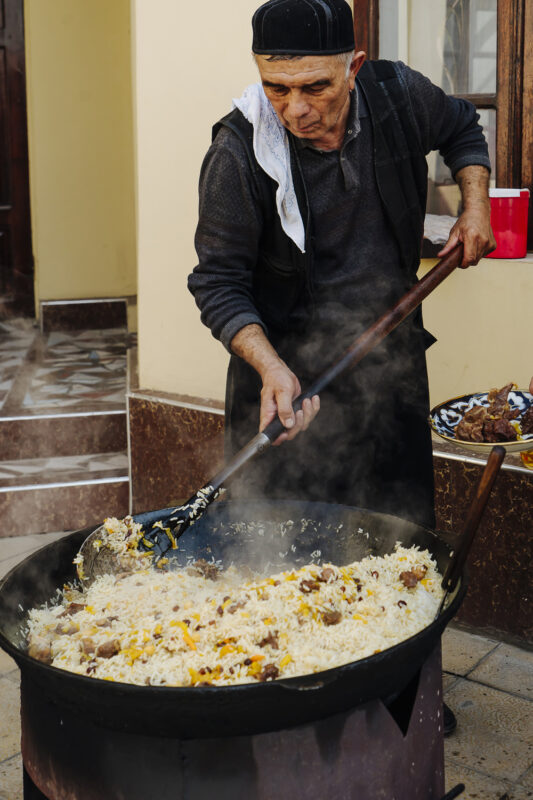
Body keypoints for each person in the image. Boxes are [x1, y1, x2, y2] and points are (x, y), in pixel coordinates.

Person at [188, 0, 496, 736]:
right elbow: (217, 283)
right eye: (275, 87)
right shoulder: (237, 153)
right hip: (282, 383)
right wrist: (270, 368)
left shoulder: (394, 97)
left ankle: (401, 704)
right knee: (279, 549)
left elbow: (460, 128)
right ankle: (291, 713)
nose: (294, 108)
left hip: (386, 369)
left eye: (315, 87)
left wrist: (474, 203)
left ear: (353, 69)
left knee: (399, 541)